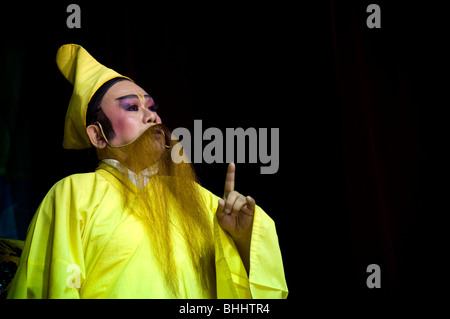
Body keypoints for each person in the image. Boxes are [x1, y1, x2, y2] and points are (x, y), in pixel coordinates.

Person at [7, 44, 288, 298]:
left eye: (152, 107)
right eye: (132, 107)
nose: (152, 116)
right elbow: (55, 288)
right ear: (98, 136)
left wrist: (240, 239)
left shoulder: (200, 201)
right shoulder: (73, 193)